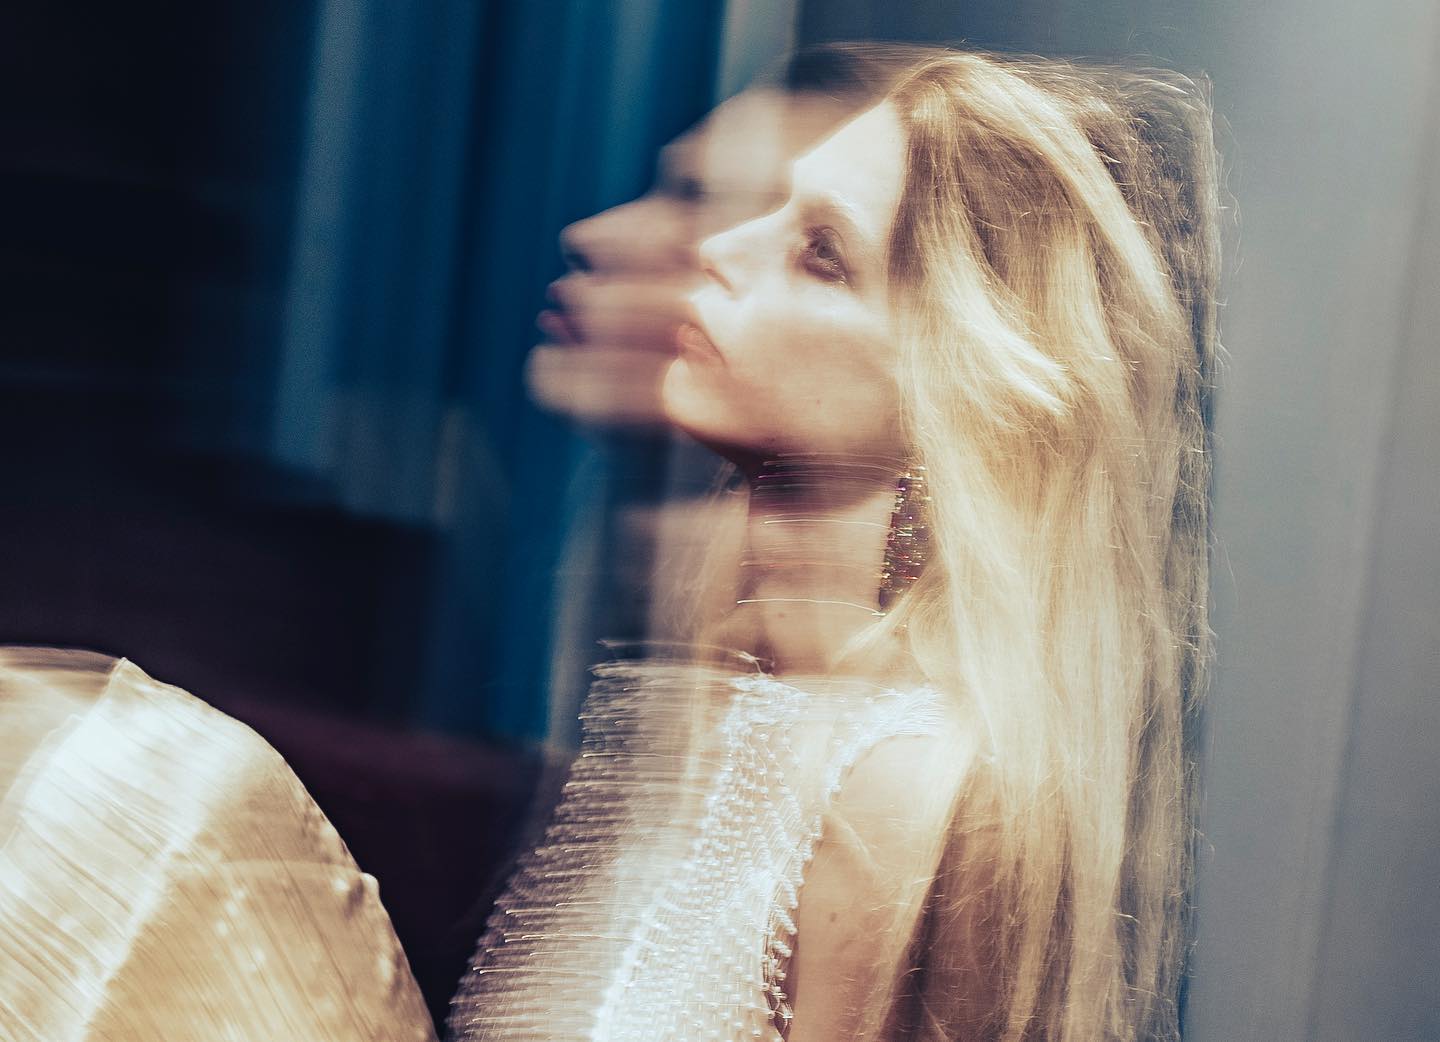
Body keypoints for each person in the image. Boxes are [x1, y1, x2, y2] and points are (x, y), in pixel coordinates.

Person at [450, 45, 1221, 1042]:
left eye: (820, 252)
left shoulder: (900, 783)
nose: (724, 248)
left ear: (953, 380)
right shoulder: (718, 693)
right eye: (773, 210)